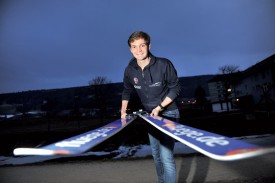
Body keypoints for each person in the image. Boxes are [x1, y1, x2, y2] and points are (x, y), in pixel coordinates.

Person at [121, 31, 181, 183]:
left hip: (169, 113)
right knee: (155, 153)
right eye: (134, 47)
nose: (138, 50)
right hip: (150, 117)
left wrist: (160, 107)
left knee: (166, 156)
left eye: (142, 45)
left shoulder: (163, 64)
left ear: (149, 46)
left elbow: (175, 88)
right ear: (130, 49)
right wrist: (123, 111)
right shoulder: (130, 70)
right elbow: (127, 91)